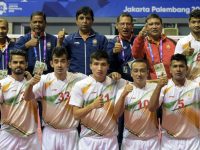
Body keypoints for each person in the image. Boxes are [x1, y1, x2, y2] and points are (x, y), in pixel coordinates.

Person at [23, 47, 87, 150]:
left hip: (70, 132)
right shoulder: (44, 80)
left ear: (68, 63)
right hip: (50, 132)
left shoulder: (78, 79)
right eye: (56, 61)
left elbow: (95, 78)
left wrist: (111, 75)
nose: (59, 65)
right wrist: (30, 85)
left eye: (62, 61)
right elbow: (26, 98)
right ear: (51, 63)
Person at [69, 50, 125, 150]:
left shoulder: (116, 82)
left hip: (110, 140)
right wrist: (92, 106)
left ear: (108, 66)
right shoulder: (80, 85)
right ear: (90, 66)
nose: (99, 68)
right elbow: (76, 115)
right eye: (96, 64)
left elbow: (138, 84)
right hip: (88, 140)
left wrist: (160, 83)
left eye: (103, 64)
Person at [149, 54, 200, 150]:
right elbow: (151, 108)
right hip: (169, 141)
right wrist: (158, 87)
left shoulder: (196, 87)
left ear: (187, 68)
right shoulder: (164, 87)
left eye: (181, 66)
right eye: (175, 66)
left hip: (193, 141)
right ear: (170, 69)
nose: (178, 69)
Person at [114, 59, 160, 150]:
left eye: (142, 71)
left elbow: (154, 108)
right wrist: (123, 95)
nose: (139, 74)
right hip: (130, 141)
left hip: (152, 140)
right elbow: (116, 114)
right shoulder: (123, 90)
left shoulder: (156, 88)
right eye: (136, 71)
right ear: (131, 73)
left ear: (147, 73)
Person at [0, 49, 39, 150]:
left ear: (26, 65)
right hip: (8, 134)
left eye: (21, 62)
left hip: (30, 137)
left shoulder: (35, 85)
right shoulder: (2, 84)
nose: (18, 65)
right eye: (15, 62)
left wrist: (31, 83)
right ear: (9, 64)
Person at [57, 6, 108, 75]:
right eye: (81, 18)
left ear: (92, 21)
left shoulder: (101, 39)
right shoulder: (69, 39)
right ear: (76, 21)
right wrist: (59, 41)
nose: (84, 21)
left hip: (95, 80)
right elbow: (58, 57)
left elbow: (106, 61)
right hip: (74, 80)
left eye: (88, 18)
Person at [132, 13, 176, 79]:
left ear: (162, 26)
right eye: (151, 24)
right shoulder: (142, 43)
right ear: (146, 27)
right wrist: (140, 36)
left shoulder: (172, 42)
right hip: (150, 84)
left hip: (170, 83)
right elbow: (136, 55)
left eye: (157, 24)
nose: (154, 27)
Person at [107, 12, 135, 81]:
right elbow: (107, 64)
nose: (125, 27)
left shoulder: (138, 41)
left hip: (139, 80)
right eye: (122, 24)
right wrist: (113, 52)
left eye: (128, 24)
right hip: (120, 82)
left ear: (132, 26)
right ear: (117, 26)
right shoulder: (112, 43)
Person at [175, 9, 200, 80]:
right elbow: (174, 63)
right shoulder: (182, 42)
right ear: (189, 24)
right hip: (188, 83)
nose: (197, 25)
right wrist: (183, 54)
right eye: (194, 22)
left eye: (199, 22)